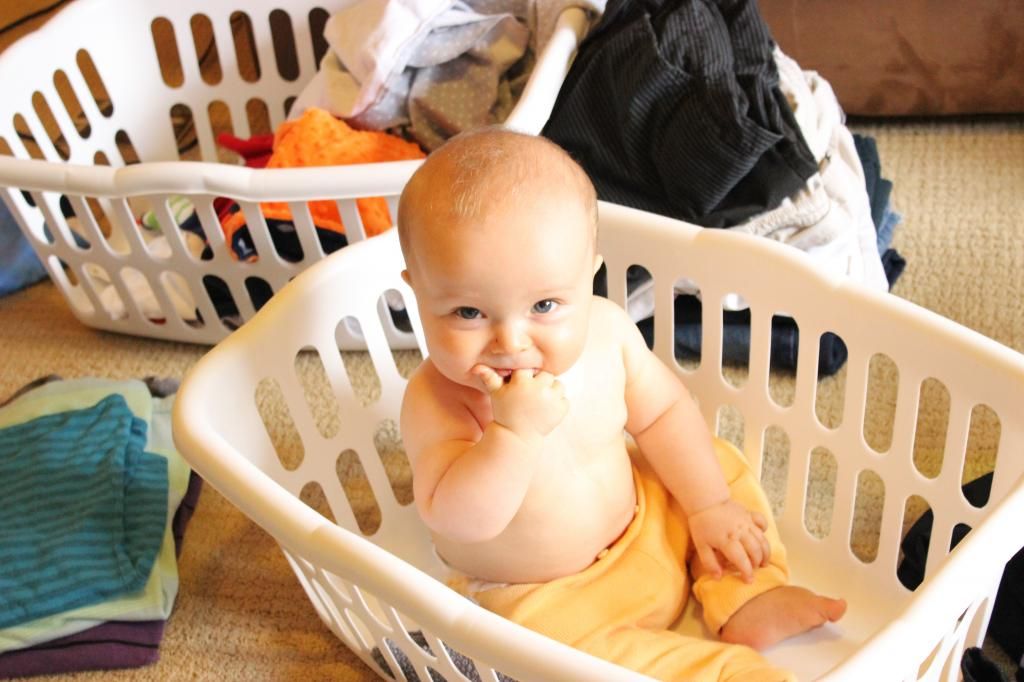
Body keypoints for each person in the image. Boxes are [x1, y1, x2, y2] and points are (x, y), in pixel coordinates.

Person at [397, 128, 846, 681]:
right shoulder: (436, 399)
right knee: (554, 659)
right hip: (547, 597)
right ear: (416, 291)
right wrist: (511, 437)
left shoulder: (608, 331)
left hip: (650, 518)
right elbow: (459, 518)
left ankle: (748, 593)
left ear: (589, 280)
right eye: (468, 313)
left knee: (714, 464)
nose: (511, 341)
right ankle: (722, 672)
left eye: (544, 305)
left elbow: (662, 414)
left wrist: (707, 507)